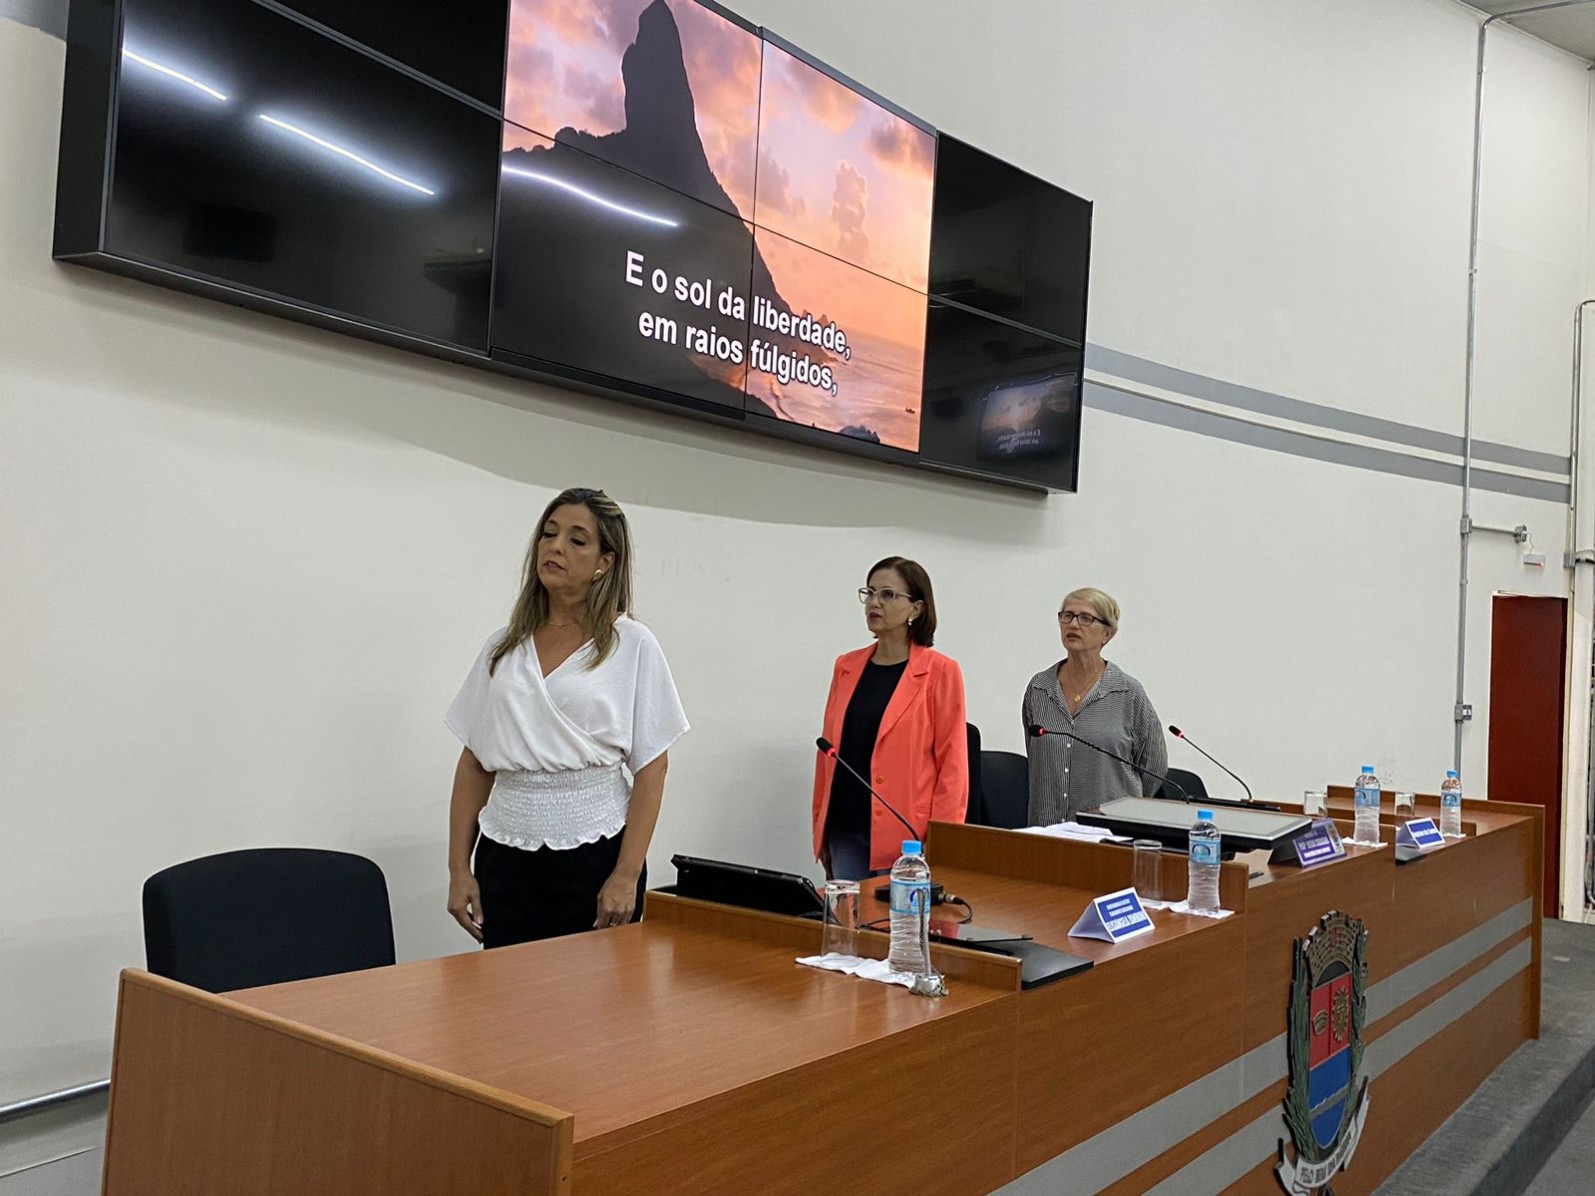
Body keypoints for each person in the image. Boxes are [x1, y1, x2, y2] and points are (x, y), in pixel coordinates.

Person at [444, 488, 688, 948]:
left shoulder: (631, 644)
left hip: (594, 855)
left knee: (592, 991)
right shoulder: (504, 647)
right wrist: (459, 867)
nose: (555, 547)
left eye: (577, 540)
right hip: (505, 855)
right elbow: (475, 762)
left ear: (605, 562)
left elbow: (652, 768)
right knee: (506, 988)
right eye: (549, 534)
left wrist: (626, 875)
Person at [812, 556, 968, 880]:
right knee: (848, 913)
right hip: (845, 828)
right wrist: (820, 827)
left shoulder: (940, 672)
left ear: (916, 608)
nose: (874, 603)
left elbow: (953, 764)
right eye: (869, 593)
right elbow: (827, 753)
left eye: (887, 595)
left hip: (908, 836)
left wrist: (944, 840)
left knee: (897, 915)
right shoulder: (846, 667)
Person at [1022, 587, 1166, 824]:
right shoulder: (1039, 689)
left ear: (1107, 634)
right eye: (1067, 616)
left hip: (1107, 833)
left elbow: (1154, 767)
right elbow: (1036, 756)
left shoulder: (1128, 693)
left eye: (1085, 618)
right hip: (1047, 830)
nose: (1073, 624)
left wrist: (1126, 811)